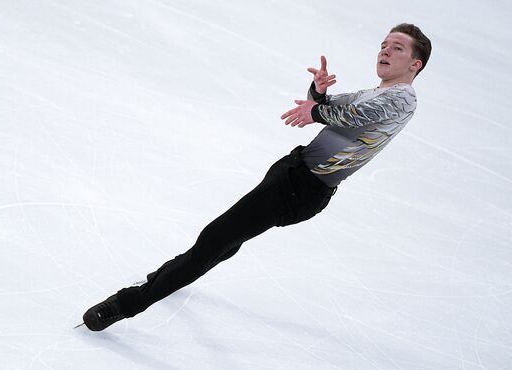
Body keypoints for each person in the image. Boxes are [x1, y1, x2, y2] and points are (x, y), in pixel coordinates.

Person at [82, 23, 432, 332]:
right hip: (293, 174)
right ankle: (174, 274)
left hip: (301, 189)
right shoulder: (378, 91)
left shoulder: (403, 97)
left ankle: (127, 304)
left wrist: (318, 109)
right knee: (226, 239)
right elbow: (331, 104)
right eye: (384, 44)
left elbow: (354, 115)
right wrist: (319, 92)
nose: (385, 50)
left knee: (215, 238)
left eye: (397, 47)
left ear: (415, 64)